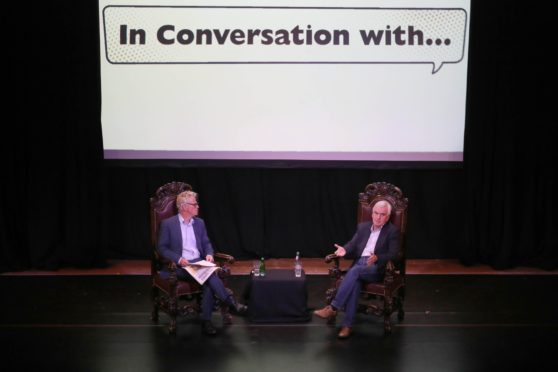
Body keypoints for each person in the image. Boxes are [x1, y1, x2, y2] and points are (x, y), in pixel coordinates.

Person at [157, 190, 247, 335]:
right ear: (185, 206)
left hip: (198, 264)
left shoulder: (199, 223)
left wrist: (209, 254)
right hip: (180, 267)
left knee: (209, 280)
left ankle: (207, 321)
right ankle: (230, 304)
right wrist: (179, 259)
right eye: (195, 204)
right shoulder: (168, 224)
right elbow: (161, 248)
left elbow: (206, 243)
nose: (198, 206)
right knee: (211, 276)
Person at [313, 200, 400, 339]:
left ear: (388, 217)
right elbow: (352, 245)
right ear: (372, 214)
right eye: (376, 213)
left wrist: (378, 257)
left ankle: (333, 308)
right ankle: (348, 326)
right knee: (355, 282)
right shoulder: (363, 227)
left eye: (382, 215)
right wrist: (344, 250)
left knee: (354, 272)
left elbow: (394, 254)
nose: (378, 217)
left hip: (376, 268)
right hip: (360, 264)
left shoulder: (392, 231)